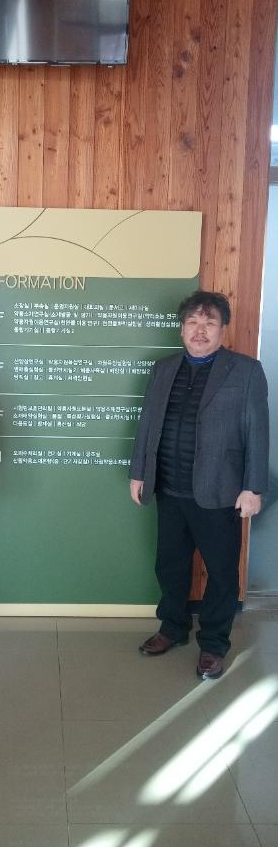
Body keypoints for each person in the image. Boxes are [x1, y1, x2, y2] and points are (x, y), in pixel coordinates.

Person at [129, 290, 269, 679]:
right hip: (169, 488)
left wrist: (253, 487)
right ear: (182, 328)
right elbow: (147, 424)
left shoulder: (245, 371)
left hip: (221, 492)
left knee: (221, 573)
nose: (200, 330)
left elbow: (258, 432)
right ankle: (173, 627)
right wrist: (139, 472)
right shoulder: (163, 369)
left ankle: (214, 644)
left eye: (209, 323)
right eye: (192, 322)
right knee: (170, 565)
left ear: (223, 329)